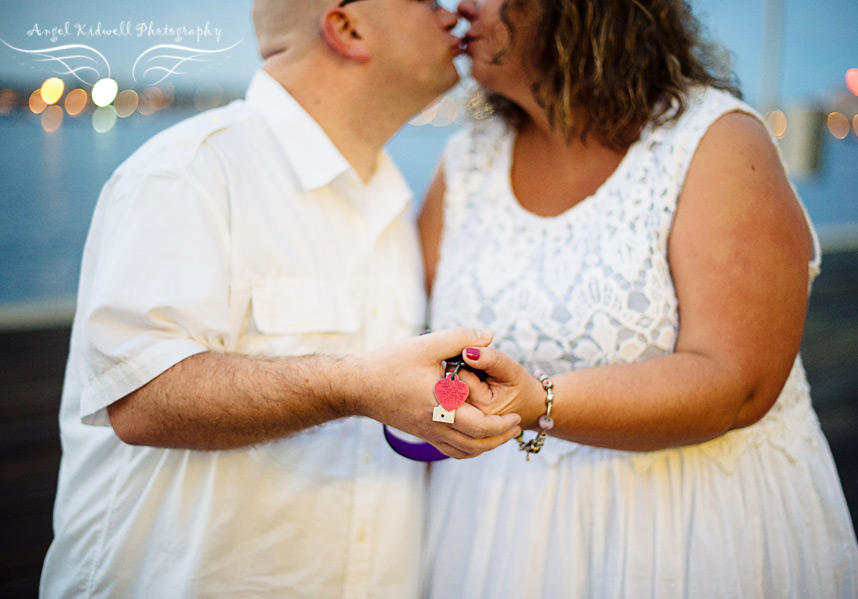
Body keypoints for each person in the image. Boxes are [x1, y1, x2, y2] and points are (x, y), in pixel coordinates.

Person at [39, 1, 523, 597]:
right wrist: (359, 386)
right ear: (346, 27)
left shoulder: (394, 205)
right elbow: (140, 399)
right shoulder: (189, 173)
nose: (450, 13)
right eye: (423, 0)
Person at [418, 0, 858, 597]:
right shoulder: (467, 160)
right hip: (494, 538)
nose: (460, 5)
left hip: (680, 537)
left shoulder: (716, 142)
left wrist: (538, 399)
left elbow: (739, 381)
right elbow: (417, 336)